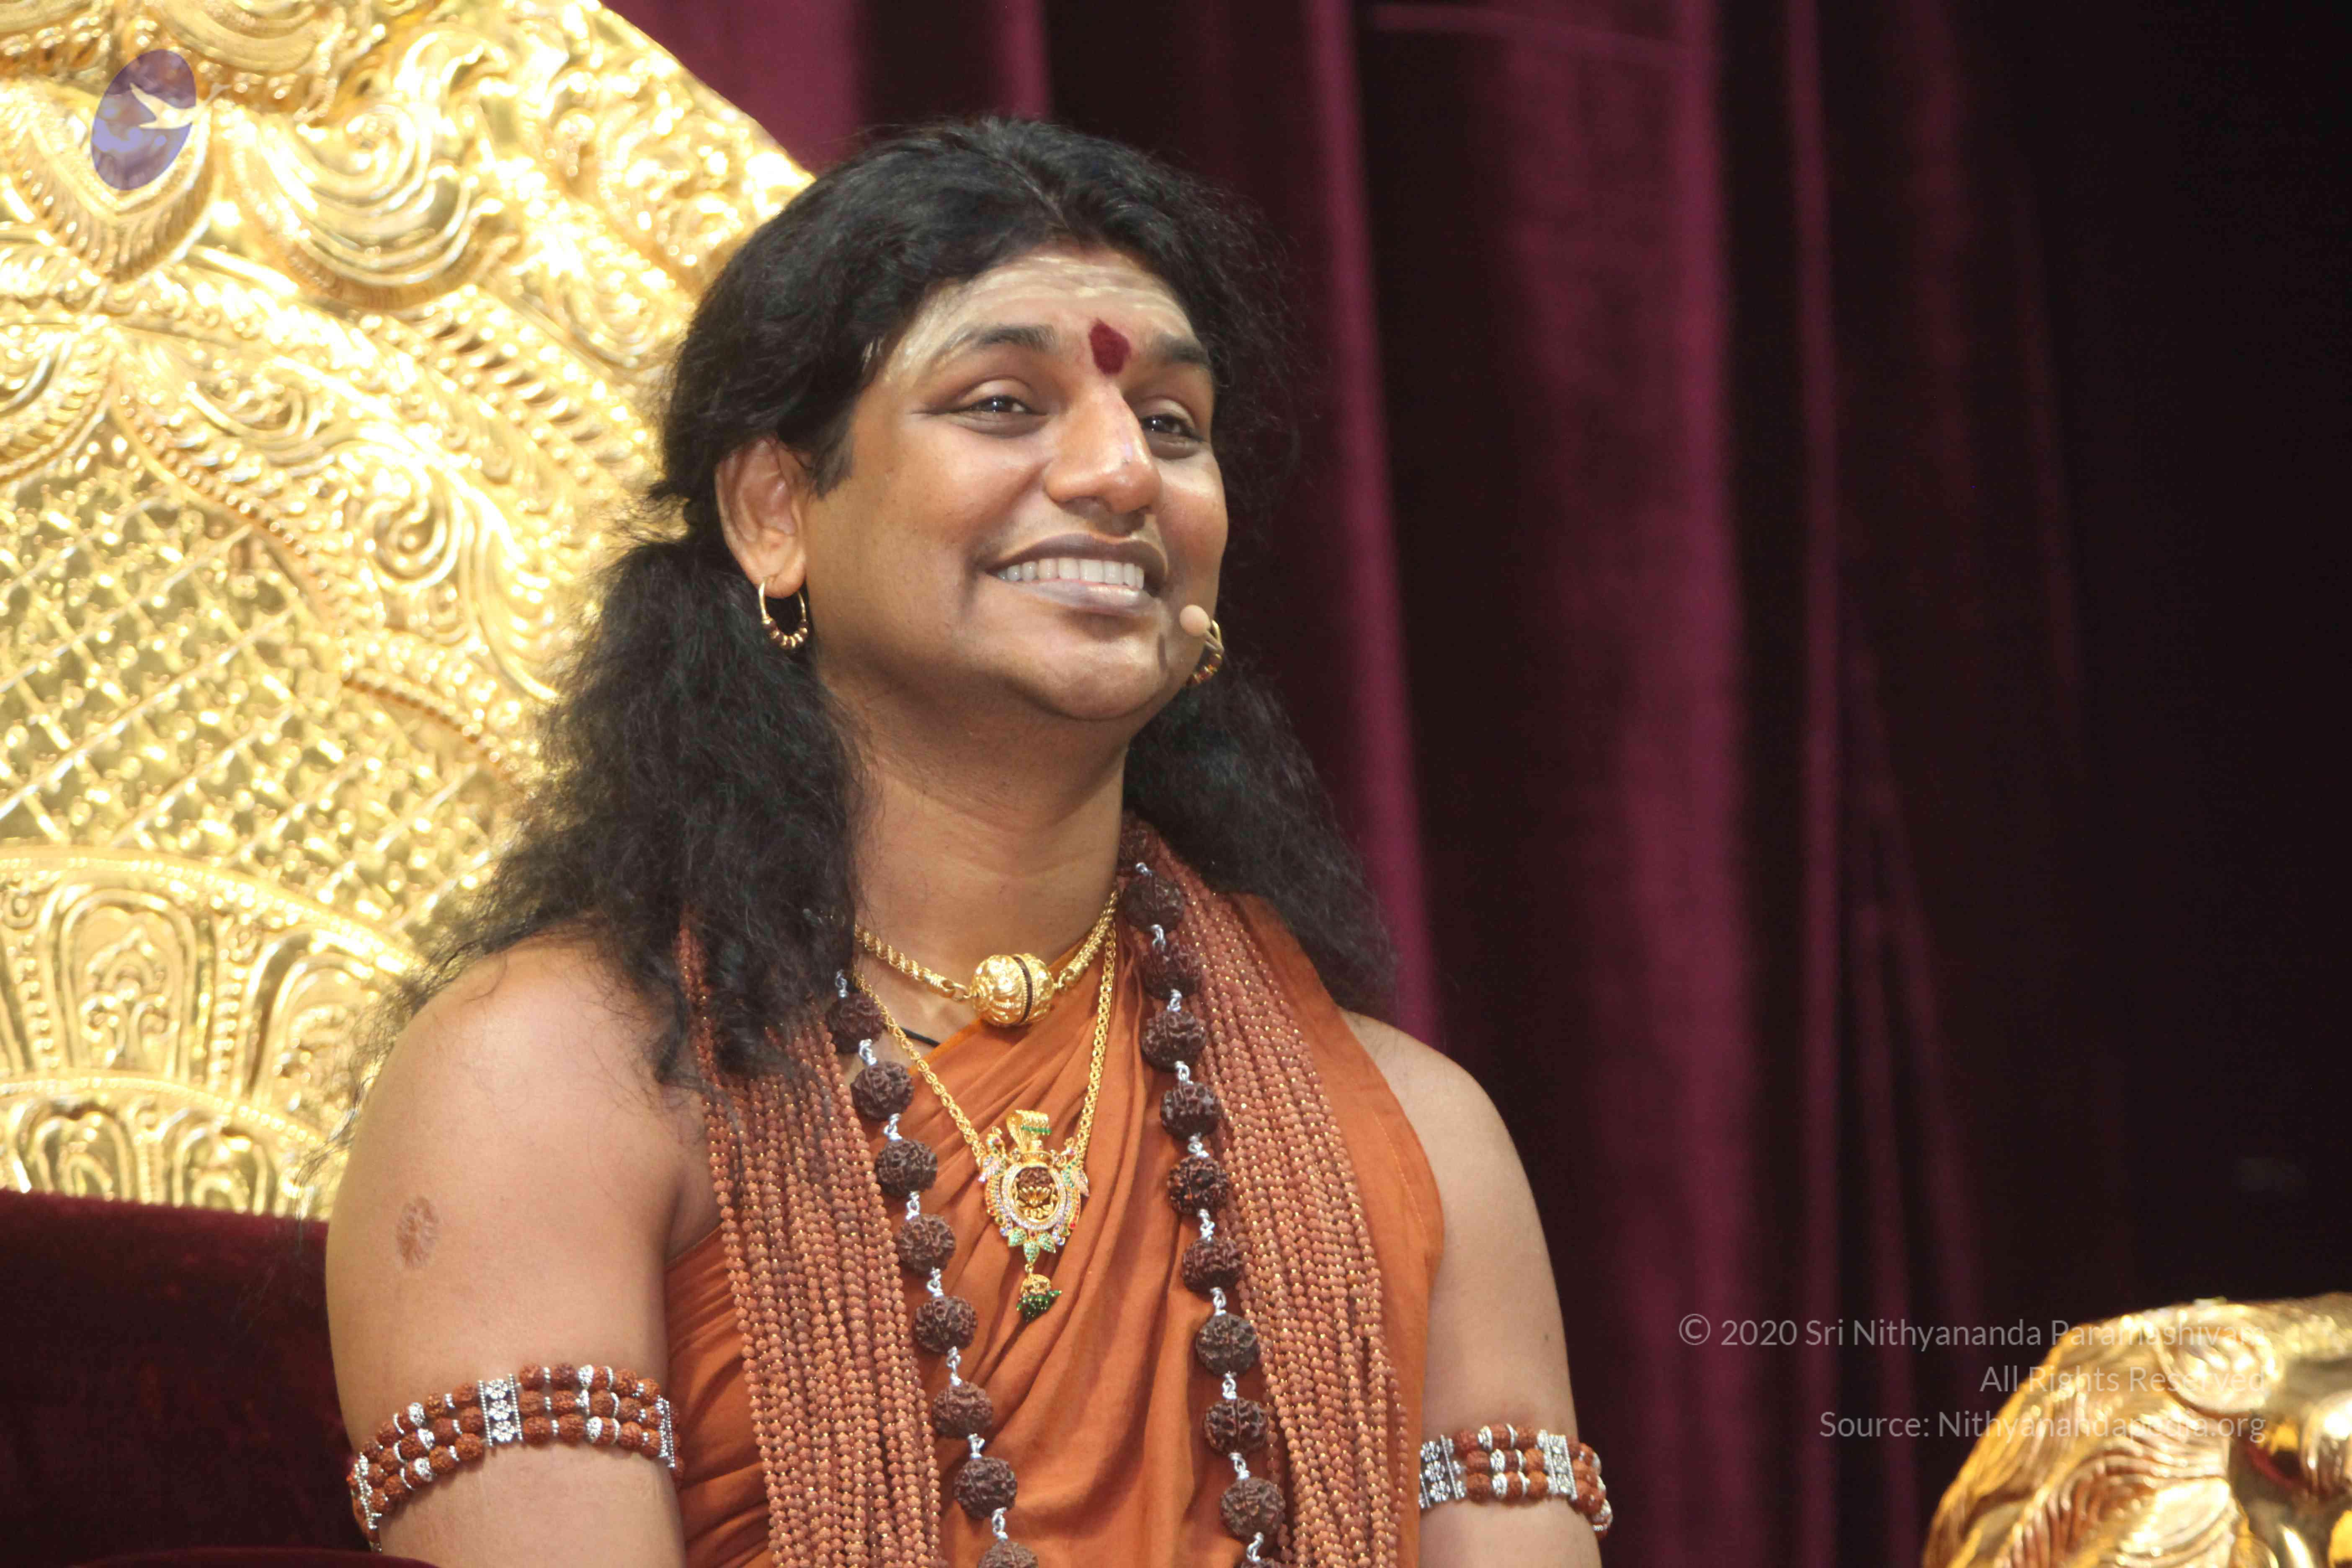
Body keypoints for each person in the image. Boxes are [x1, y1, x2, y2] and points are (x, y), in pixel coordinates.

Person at [325, 116, 1602, 1567]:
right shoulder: (548, 1086)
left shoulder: (1420, 1139)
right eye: (1002, 403)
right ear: (774, 511)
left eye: (1173, 424)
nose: (1121, 473)